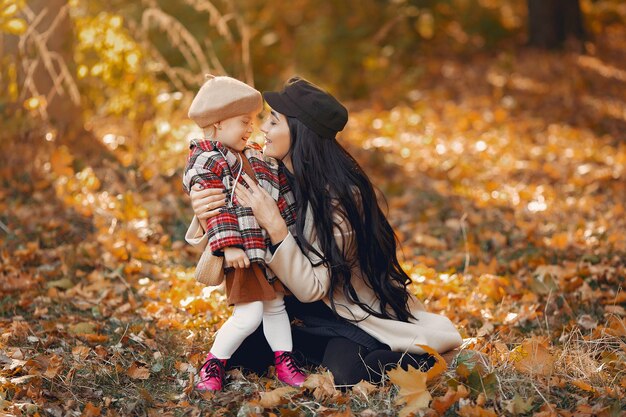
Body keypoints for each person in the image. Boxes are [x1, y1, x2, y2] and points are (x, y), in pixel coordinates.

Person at [186, 76, 463, 386]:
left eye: (274, 121)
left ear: (299, 132)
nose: (262, 128)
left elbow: (314, 287)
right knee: (244, 356)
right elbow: (235, 224)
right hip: (293, 300)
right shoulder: (270, 173)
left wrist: (276, 227)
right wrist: (204, 207)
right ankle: (301, 348)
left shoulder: (341, 198)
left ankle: (416, 355)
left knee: (349, 374)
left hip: (344, 309)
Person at [183, 75, 306, 391]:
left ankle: (284, 361)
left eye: (252, 121)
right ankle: (213, 364)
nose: (251, 128)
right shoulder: (208, 157)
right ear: (218, 123)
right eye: (244, 121)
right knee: (249, 315)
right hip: (242, 252)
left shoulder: (256, 156)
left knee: (275, 307)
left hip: (265, 252)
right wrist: (228, 247)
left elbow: (278, 198)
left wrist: (292, 234)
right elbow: (214, 206)